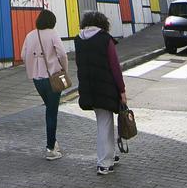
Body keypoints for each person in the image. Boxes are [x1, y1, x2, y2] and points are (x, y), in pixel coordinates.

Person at [74, 11, 126, 176]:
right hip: (105, 87)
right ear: (103, 24)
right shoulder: (105, 39)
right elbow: (115, 67)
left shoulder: (79, 40)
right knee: (105, 123)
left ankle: (110, 154)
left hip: (88, 87)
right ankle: (104, 163)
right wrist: (122, 89)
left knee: (103, 122)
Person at [21, 9, 68, 160]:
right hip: (53, 76)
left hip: (37, 77)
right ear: (51, 21)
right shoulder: (52, 33)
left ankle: (53, 143)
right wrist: (64, 69)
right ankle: (50, 149)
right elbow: (62, 54)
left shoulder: (30, 35)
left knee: (49, 108)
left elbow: (23, 55)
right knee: (52, 112)